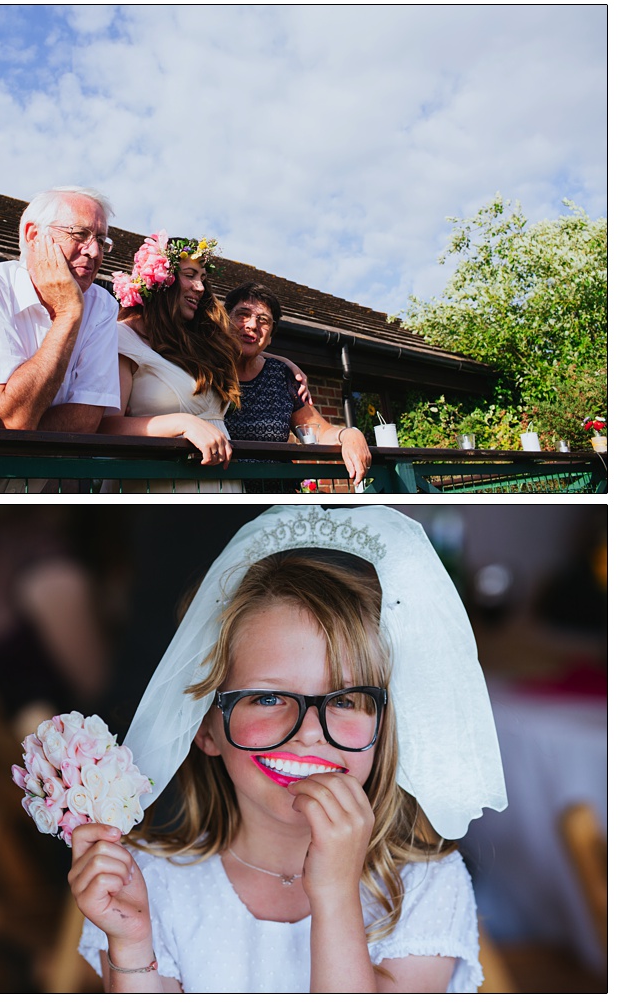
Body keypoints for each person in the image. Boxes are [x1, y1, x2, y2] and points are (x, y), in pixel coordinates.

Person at [69, 505, 505, 992]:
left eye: (345, 699)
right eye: (269, 697)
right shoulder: (152, 883)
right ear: (205, 727)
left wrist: (337, 893)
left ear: (385, 725)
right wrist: (131, 943)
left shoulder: (426, 887)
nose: (310, 731)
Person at [0, 186, 122, 431]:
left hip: (41, 465)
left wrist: (13, 426)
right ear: (33, 236)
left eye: (101, 241)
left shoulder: (101, 305)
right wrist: (68, 313)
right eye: (80, 234)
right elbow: (12, 420)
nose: (94, 251)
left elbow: (86, 422)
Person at [99, 233, 241, 492]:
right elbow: (106, 426)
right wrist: (183, 423)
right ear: (160, 280)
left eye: (203, 278)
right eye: (190, 275)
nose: (200, 287)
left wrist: (285, 362)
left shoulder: (196, 343)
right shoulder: (122, 338)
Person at [222, 283, 372, 491]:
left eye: (263, 320)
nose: (252, 325)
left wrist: (349, 434)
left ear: (271, 336)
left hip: (278, 497)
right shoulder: (208, 370)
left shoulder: (282, 375)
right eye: (243, 314)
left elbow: (317, 431)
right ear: (225, 319)